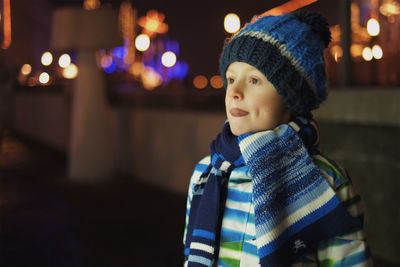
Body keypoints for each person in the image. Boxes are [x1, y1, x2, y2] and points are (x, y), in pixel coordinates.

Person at [182, 10, 373, 267]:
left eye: (254, 80)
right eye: (230, 78)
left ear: (290, 97)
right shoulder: (206, 174)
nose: (235, 92)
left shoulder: (326, 182)